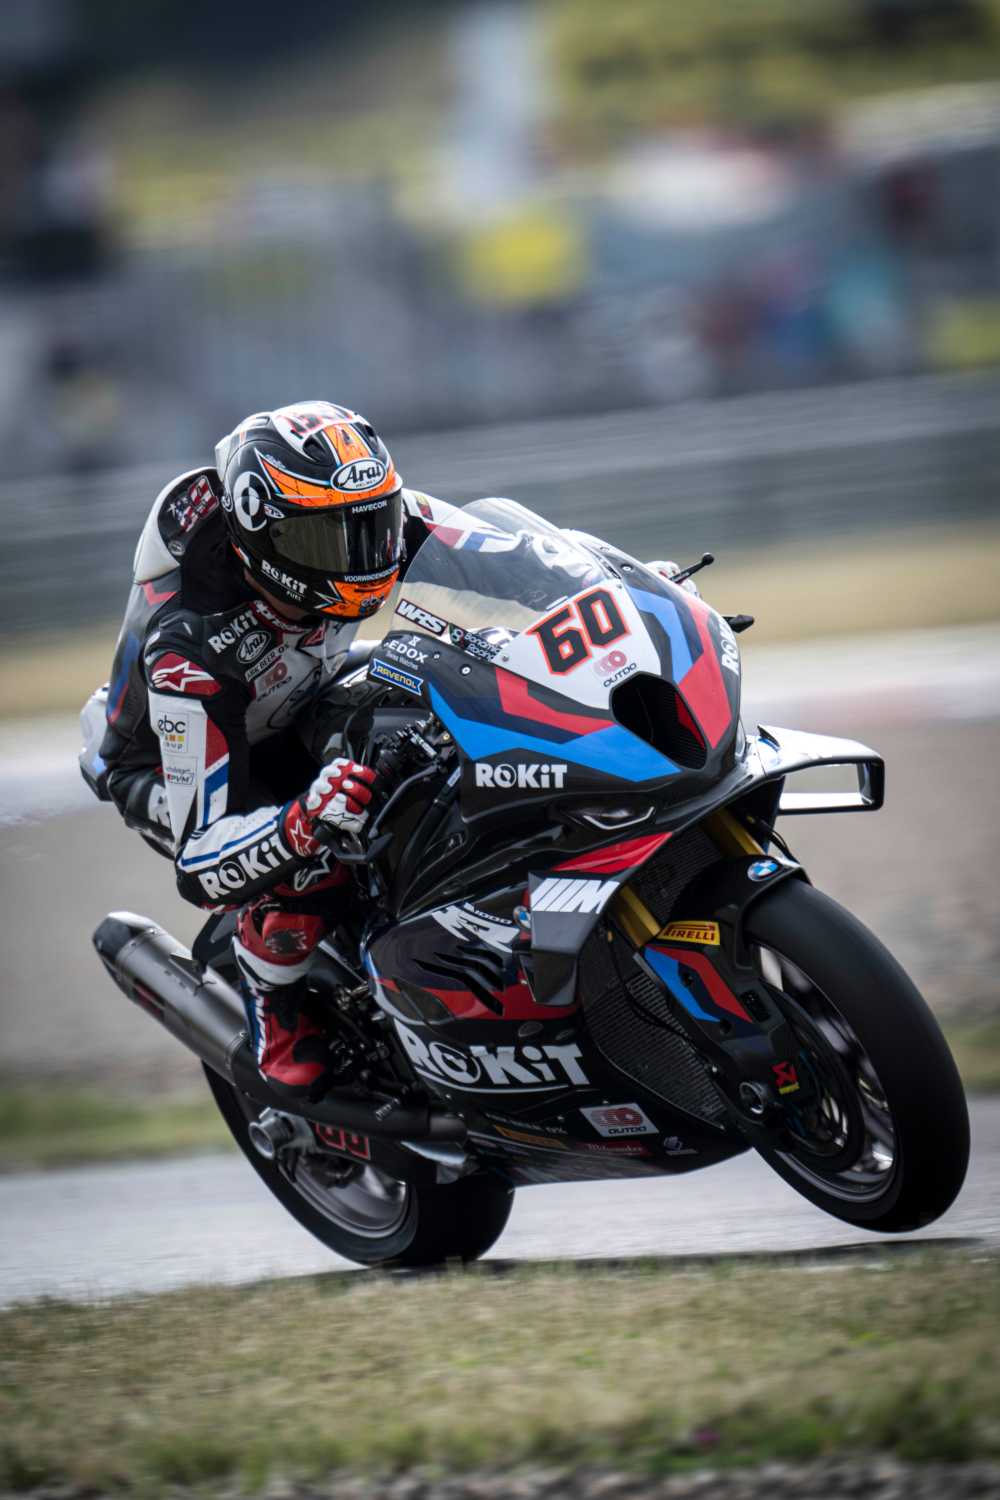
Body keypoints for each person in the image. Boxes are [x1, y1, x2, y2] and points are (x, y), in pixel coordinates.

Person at [91, 397, 697, 1104]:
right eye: (331, 538)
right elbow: (202, 862)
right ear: (264, 533)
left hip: (301, 693)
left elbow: (515, 559)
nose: (365, 553)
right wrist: (299, 822)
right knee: (319, 850)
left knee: (457, 706)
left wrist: (623, 591)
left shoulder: (353, 516)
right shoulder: (189, 647)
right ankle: (275, 1011)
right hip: (177, 760)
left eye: (374, 523)